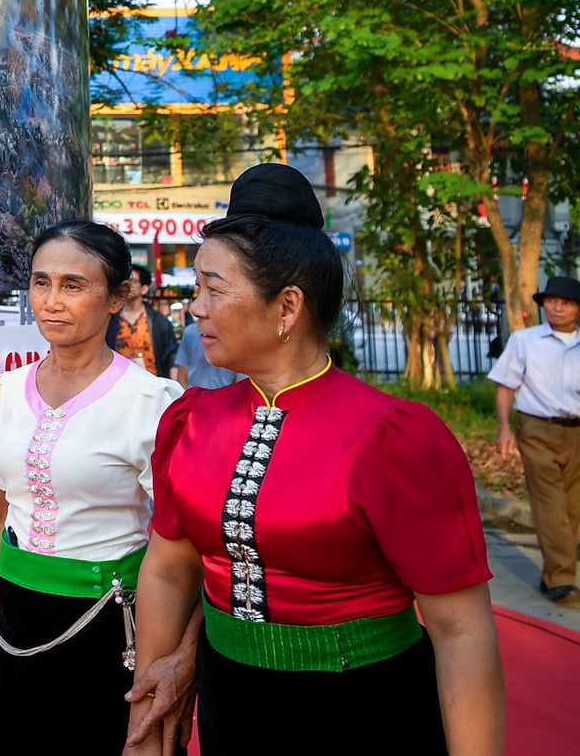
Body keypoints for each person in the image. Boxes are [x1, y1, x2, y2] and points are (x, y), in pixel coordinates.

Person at [128, 164, 504, 756]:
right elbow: (169, 569)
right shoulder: (190, 420)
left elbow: (461, 629)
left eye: (211, 288)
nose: (194, 307)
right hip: (231, 703)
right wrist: (148, 713)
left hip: (364, 709)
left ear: (287, 307)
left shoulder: (391, 437)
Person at [0, 220, 191, 755]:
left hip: (111, 630)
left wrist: (181, 656)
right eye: (42, 283)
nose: (52, 302)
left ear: (117, 296)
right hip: (16, 631)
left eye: (73, 286)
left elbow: (184, 547)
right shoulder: (8, 390)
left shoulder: (151, 402)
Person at [490, 273, 580, 606]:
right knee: (551, 504)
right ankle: (562, 579)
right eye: (552, 302)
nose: (557, 308)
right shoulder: (524, 341)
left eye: (566, 303)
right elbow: (505, 385)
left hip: (577, 431)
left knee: (572, 509)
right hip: (536, 429)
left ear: (577, 309)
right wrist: (504, 429)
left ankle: (551, 574)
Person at [105, 265, 178, 377]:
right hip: (118, 383)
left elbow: (171, 356)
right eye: (125, 281)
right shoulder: (110, 319)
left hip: (152, 384)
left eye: (133, 281)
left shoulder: (158, 321)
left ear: (144, 288)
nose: (127, 285)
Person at [172, 300, 243, 391]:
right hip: (193, 399)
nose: (195, 309)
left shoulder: (238, 339)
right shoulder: (190, 332)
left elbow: (240, 383)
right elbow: (182, 376)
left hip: (224, 401)